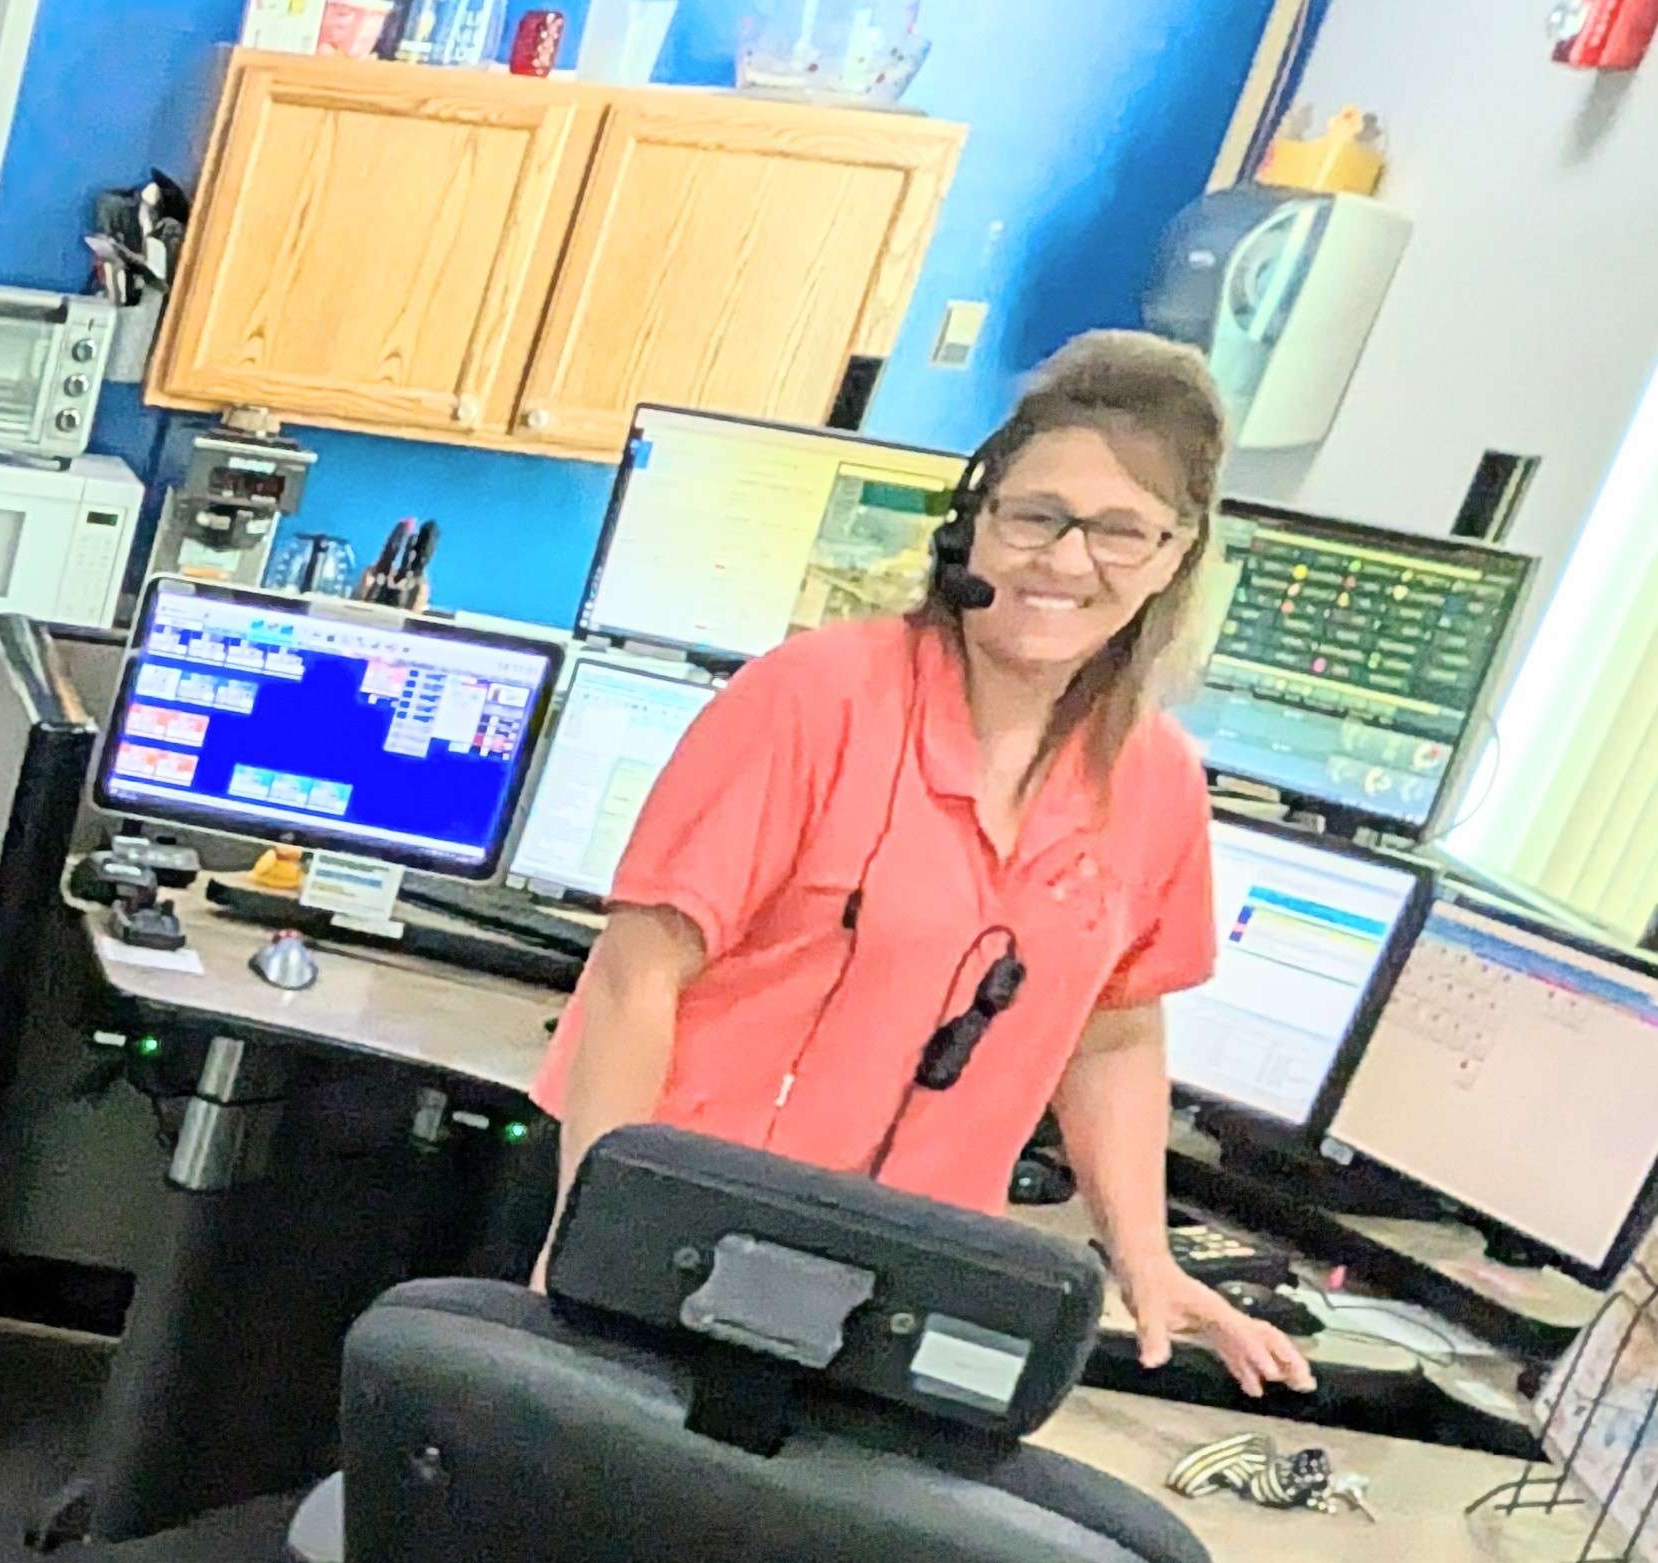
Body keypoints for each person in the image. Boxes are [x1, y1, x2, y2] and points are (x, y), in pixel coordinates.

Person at [547, 331, 1307, 1393]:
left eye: (1120, 532)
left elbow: (1115, 1029)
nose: (1066, 560)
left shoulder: (1155, 780)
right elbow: (636, 973)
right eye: (1035, 517)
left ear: (1174, 556)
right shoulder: (815, 697)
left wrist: (1143, 1254)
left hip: (911, 1276)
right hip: (688, 1228)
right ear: (974, 525)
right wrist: (598, 1220)